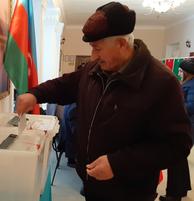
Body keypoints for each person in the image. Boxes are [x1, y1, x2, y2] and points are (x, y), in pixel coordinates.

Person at [17, 2, 192, 201]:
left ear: (121, 43)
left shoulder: (162, 82)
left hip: (131, 194)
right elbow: (63, 85)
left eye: (97, 48)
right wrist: (35, 94)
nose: (93, 56)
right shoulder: (93, 70)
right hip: (92, 186)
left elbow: (177, 145)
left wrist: (118, 163)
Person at [159, 59, 194, 201]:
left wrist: (173, 103)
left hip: (187, 127)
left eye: (181, 71)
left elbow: (191, 106)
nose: (179, 74)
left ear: (188, 73)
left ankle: (175, 194)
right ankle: (180, 190)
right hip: (185, 125)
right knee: (180, 159)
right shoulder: (188, 84)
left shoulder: (192, 85)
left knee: (175, 158)